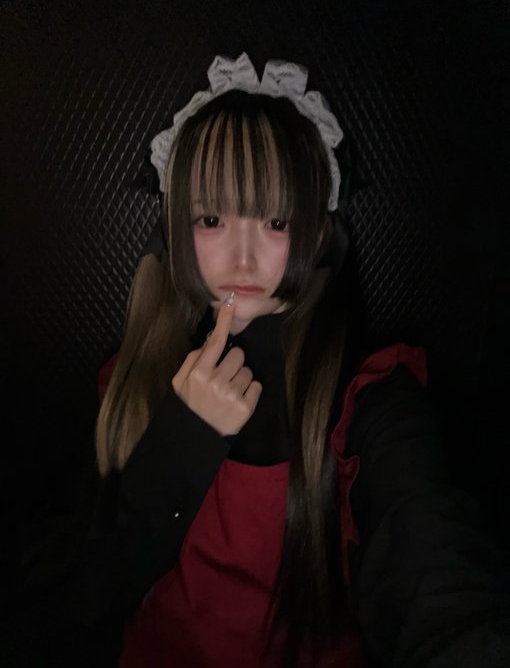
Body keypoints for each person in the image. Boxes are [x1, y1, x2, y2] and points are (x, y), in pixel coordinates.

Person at [85, 53, 510, 667]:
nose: (243, 258)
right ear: (176, 226)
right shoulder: (128, 384)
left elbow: (437, 568)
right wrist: (183, 437)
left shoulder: (368, 395)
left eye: (276, 220)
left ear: (314, 232)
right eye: (211, 218)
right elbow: (84, 593)